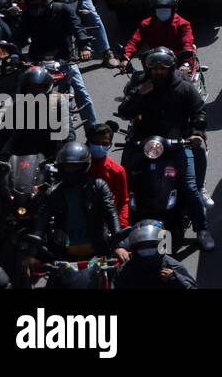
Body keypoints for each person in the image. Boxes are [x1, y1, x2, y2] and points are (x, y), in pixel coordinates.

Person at [116, 46, 213, 250]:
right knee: (125, 184)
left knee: (189, 187)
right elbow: (125, 111)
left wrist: (195, 132)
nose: (158, 72)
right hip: (144, 145)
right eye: (155, 68)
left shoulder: (184, 87)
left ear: (171, 68)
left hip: (177, 145)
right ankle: (122, 229)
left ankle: (202, 229)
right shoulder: (141, 85)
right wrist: (140, 95)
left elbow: (199, 112)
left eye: (163, 68)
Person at [29, 141, 127, 269]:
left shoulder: (98, 186)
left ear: (85, 166)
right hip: (64, 259)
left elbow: (111, 213)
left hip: (97, 257)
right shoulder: (53, 192)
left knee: (109, 279)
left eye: (75, 167)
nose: (71, 171)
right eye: (67, 166)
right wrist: (33, 250)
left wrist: (119, 246)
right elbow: (42, 219)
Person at [115, 220, 198, 289]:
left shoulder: (173, 266)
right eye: (142, 247)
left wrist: (175, 279)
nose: (146, 250)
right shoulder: (125, 270)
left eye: (151, 245)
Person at [86, 121, 129, 227]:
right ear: (88, 142)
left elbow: (123, 202)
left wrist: (122, 225)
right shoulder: (76, 164)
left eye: (104, 144)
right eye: (96, 143)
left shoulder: (117, 170)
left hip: (103, 221)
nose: (100, 147)